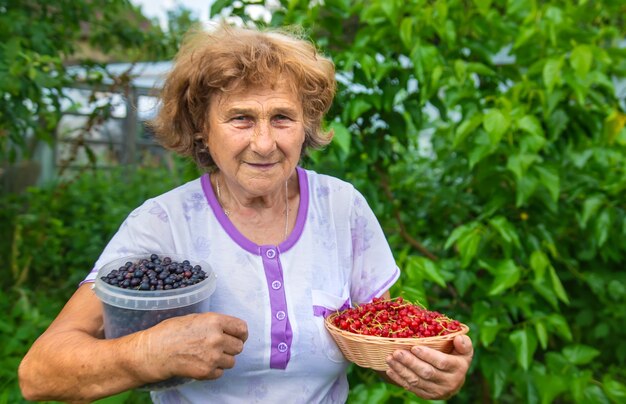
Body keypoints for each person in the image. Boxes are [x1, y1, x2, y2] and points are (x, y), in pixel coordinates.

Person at [18, 23, 473, 403]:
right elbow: (39, 373)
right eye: (240, 119)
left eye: (282, 118)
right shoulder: (163, 224)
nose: (263, 143)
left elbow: (381, 339)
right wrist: (145, 353)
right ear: (201, 128)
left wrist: (429, 369)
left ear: (306, 126)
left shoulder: (343, 207)